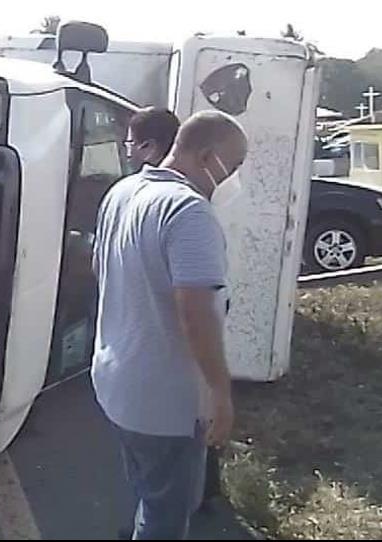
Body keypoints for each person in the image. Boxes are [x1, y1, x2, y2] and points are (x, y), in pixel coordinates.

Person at [93, 110, 247, 540]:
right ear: (207, 156)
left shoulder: (123, 191)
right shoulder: (190, 212)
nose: (231, 178)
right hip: (167, 402)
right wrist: (220, 392)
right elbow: (196, 312)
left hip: (116, 380)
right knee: (166, 516)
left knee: (148, 489)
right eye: (232, 167)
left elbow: (101, 269)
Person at [125, 107, 181, 171]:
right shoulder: (189, 179)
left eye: (130, 142)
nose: (128, 154)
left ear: (150, 146)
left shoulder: (133, 181)